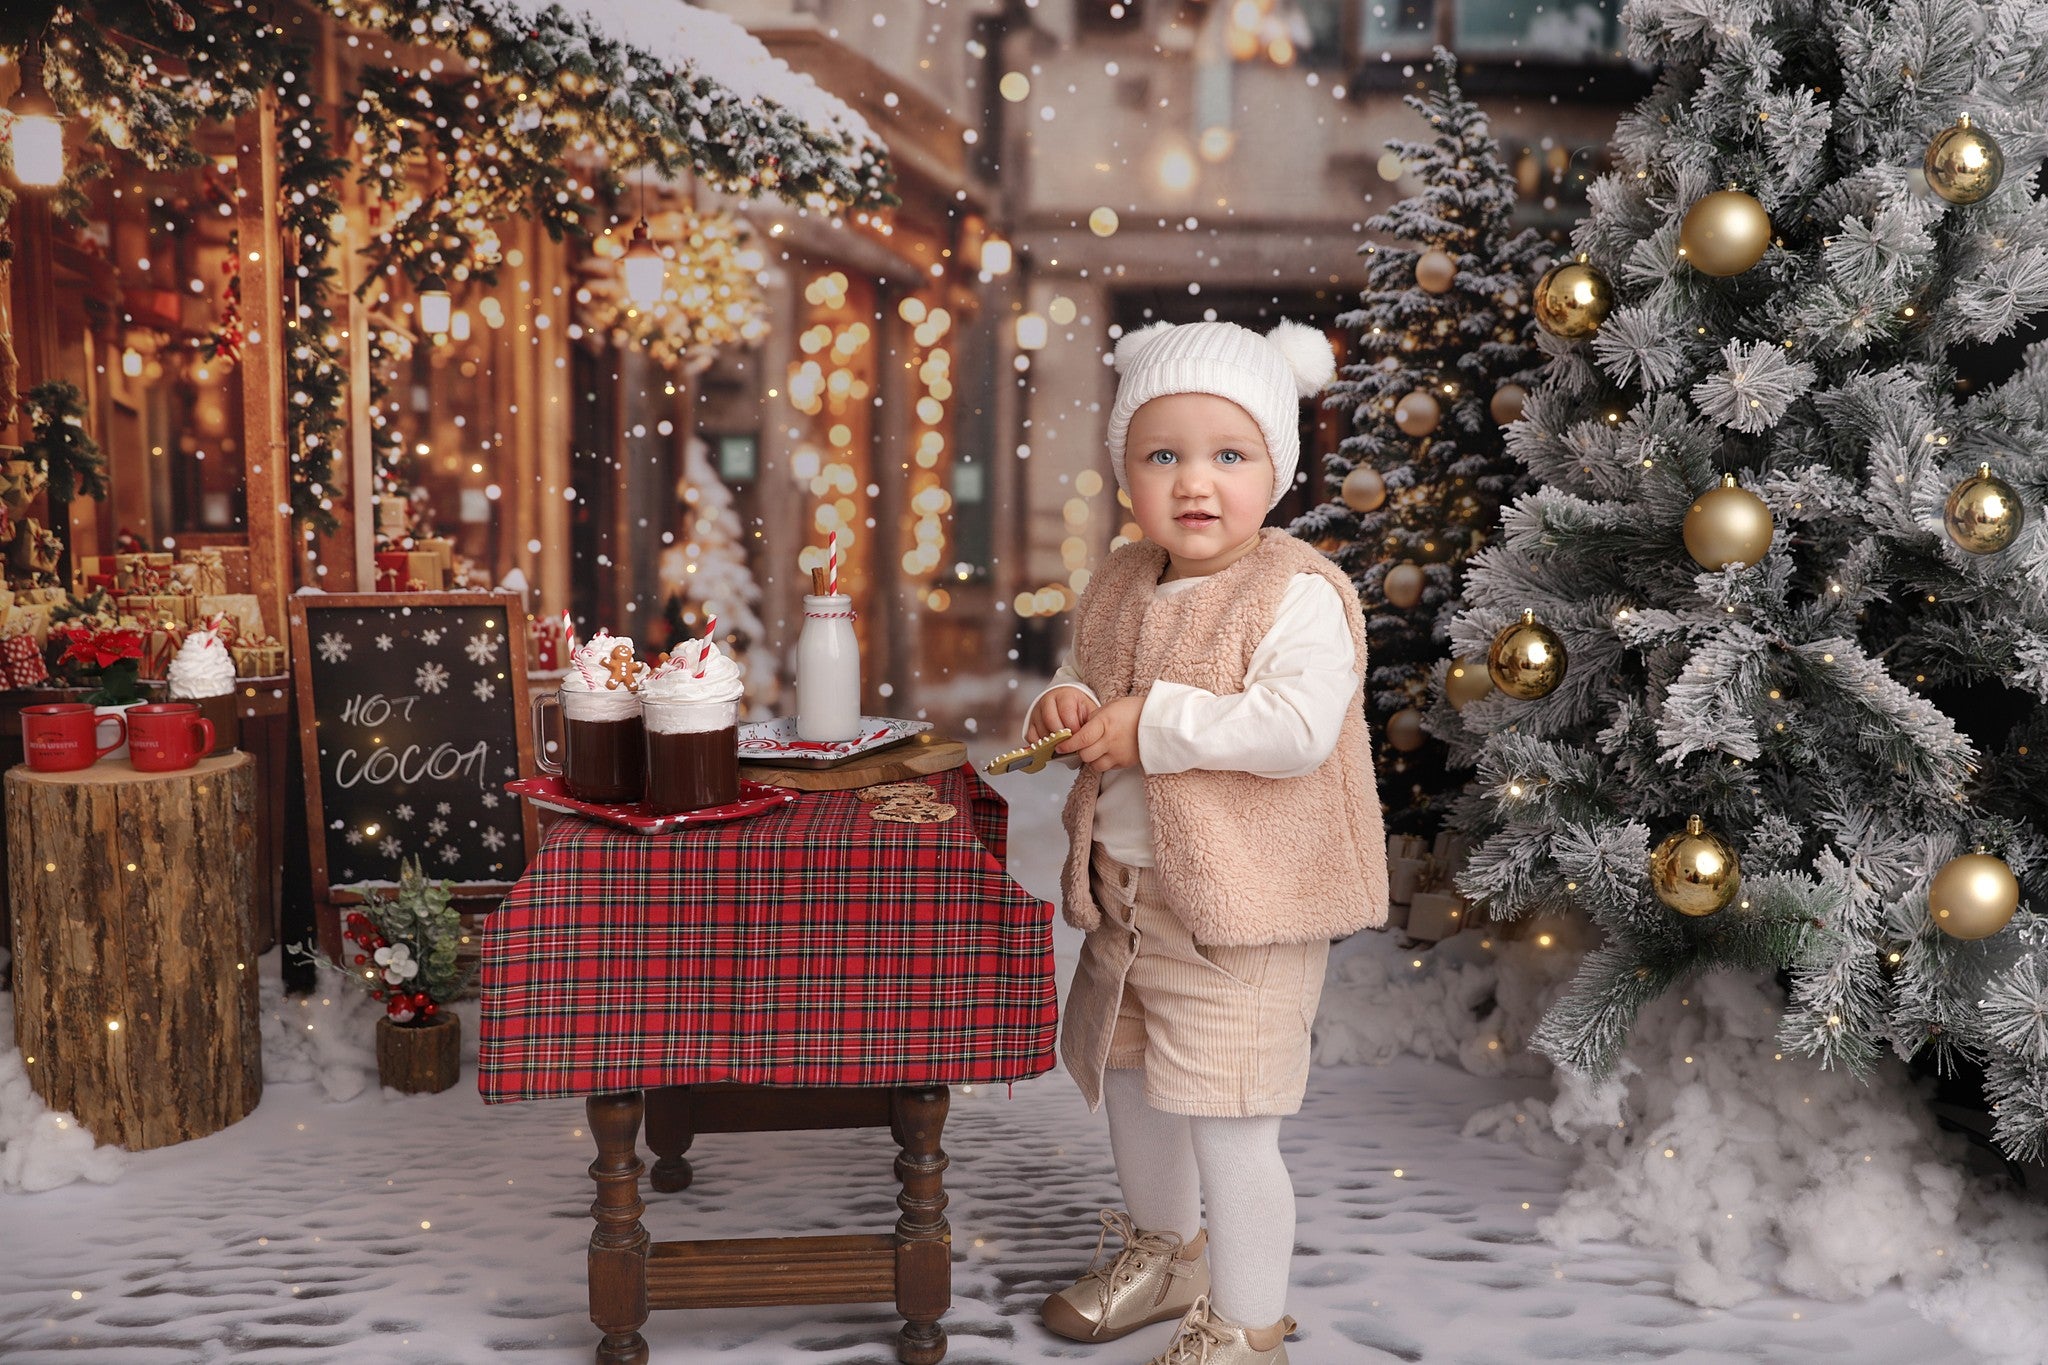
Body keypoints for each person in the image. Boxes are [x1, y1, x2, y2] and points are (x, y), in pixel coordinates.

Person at [1025, 319, 1389, 1364]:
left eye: (1228, 455)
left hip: (1245, 913)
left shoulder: (1295, 594)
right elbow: (1100, 682)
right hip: (1130, 899)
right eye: (1161, 455)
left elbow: (1292, 732)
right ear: (1125, 474)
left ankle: (1247, 1320)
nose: (1195, 482)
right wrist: (1067, 705)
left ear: (1275, 468)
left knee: (1231, 1121)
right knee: (1134, 1086)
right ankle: (1164, 1252)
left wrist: (1153, 720)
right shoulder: (1122, 580)